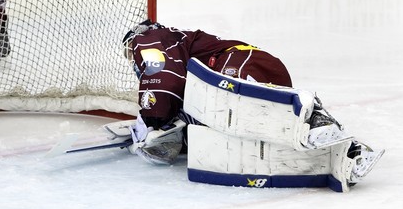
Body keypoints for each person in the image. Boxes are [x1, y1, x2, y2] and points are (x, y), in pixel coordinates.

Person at [121, 20, 383, 188]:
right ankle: (348, 155)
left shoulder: (151, 39)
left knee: (245, 102)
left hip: (237, 63)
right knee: (262, 129)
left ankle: (316, 119)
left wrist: (153, 120)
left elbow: (162, 80)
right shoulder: (186, 74)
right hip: (251, 67)